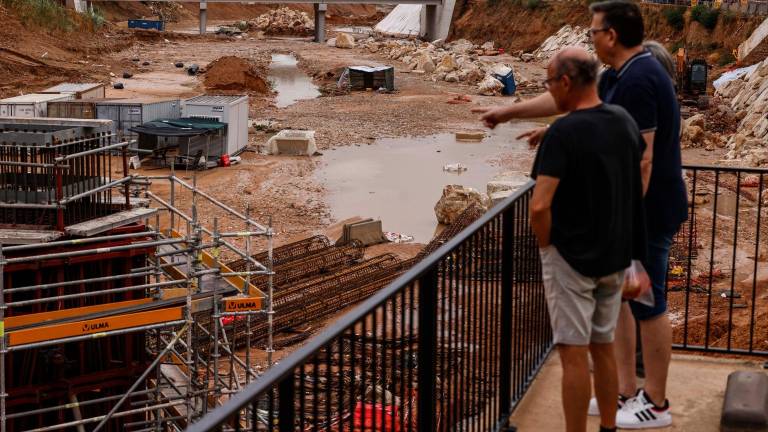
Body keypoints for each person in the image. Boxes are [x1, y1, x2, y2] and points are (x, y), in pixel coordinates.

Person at [473, 1, 687, 429]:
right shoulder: (619, 75)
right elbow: (586, 111)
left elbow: (641, 161)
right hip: (622, 229)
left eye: (593, 31)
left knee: (647, 306)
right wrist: (518, 114)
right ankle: (625, 394)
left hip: (646, 214)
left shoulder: (641, 79)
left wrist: (619, 232)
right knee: (617, 320)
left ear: (611, 35)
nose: (590, 37)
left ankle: (656, 403)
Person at [530, 46, 646, 432]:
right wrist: (634, 257)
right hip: (613, 257)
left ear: (565, 82)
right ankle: (609, 428)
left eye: (549, 82)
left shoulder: (562, 133)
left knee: (573, 355)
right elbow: (633, 192)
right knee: (604, 347)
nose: (550, 90)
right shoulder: (624, 121)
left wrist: (547, 249)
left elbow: (540, 205)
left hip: (571, 259)